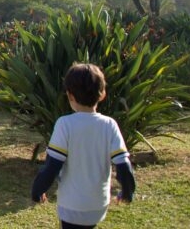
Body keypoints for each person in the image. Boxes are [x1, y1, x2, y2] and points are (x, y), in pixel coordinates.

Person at [31, 63, 136, 229]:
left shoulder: (65, 124)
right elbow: (123, 164)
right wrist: (128, 191)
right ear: (102, 95)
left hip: (71, 206)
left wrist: (38, 190)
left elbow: (52, 166)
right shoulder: (110, 125)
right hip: (98, 205)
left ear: (70, 96)